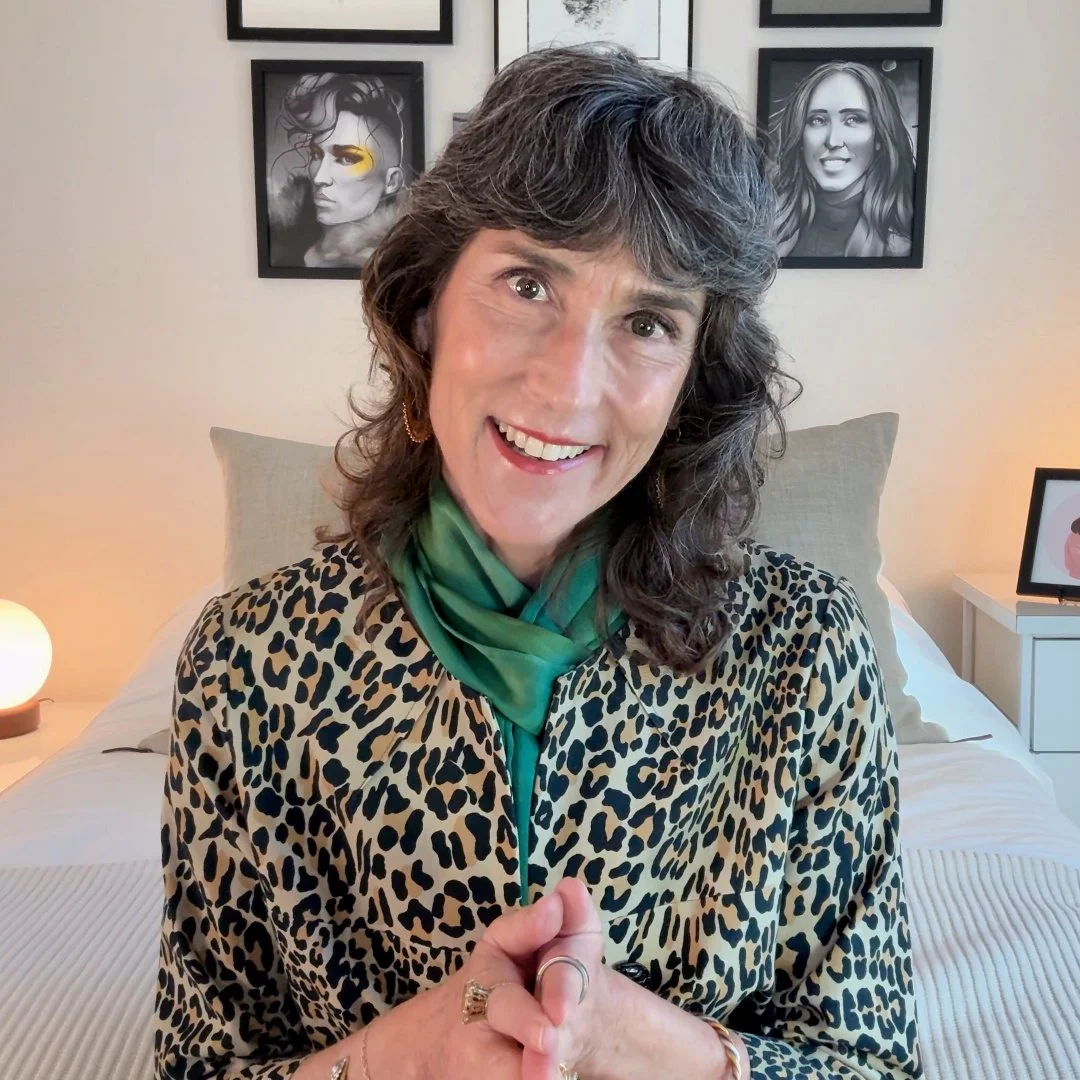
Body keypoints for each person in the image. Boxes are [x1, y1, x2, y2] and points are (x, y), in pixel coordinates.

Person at [154, 45, 923, 1080]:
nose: (568, 386)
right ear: (427, 306)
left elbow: (874, 1067)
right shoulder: (247, 665)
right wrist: (396, 1055)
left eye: (648, 321)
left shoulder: (807, 655)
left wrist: (645, 1042)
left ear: (695, 376)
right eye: (528, 282)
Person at [771, 60, 916, 259]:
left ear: (879, 138)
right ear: (800, 138)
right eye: (818, 120)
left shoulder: (899, 249)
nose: (833, 141)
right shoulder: (769, 233)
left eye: (853, 120)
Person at [268, 72, 408, 269]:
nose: (319, 177)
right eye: (316, 155)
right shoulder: (282, 244)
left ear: (392, 181)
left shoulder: (392, 266)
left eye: (347, 158)